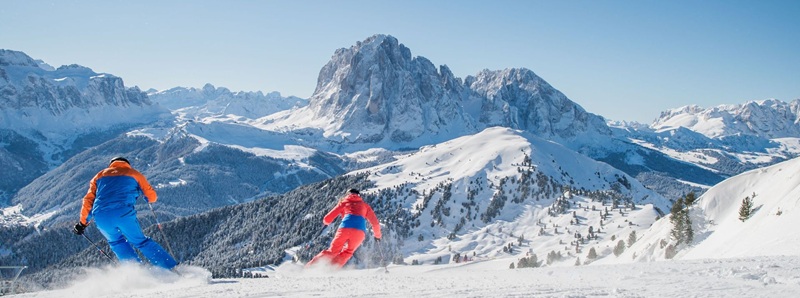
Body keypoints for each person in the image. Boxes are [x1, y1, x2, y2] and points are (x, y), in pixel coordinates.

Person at [72, 156, 177, 270]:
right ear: (127, 164)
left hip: (101, 216)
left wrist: (82, 224)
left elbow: (88, 201)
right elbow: (152, 197)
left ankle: (136, 273)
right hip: (123, 214)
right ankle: (170, 268)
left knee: (116, 242)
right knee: (141, 241)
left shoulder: (99, 176)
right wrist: (144, 195)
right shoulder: (134, 174)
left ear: (111, 164)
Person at [306, 189, 381, 269]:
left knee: (332, 251)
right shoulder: (365, 206)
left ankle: (309, 268)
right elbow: (375, 223)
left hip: (345, 228)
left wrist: (326, 222)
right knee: (348, 252)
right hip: (359, 232)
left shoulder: (344, 203)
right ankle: (331, 269)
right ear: (359, 196)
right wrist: (377, 236)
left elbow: (327, 219)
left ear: (347, 195)